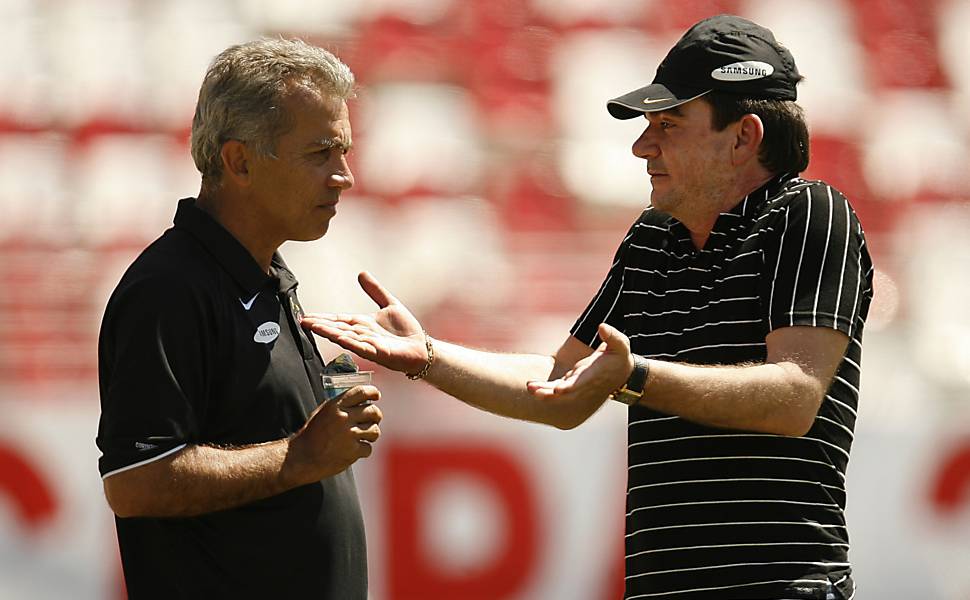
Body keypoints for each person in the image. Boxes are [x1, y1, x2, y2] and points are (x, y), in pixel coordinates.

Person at [302, 15, 873, 600]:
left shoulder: (811, 214)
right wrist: (427, 357)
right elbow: (562, 386)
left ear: (743, 137)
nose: (641, 146)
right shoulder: (654, 238)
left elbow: (795, 397)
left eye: (668, 126)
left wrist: (635, 377)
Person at [96, 38, 382, 599]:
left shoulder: (267, 275)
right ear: (239, 161)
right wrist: (300, 456)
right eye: (320, 152)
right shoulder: (168, 289)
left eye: (343, 151)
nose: (343, 175)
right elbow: (135, 483)